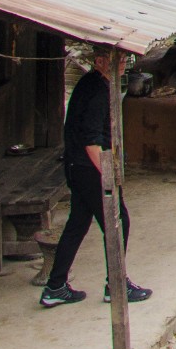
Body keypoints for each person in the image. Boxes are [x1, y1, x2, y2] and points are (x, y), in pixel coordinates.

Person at [41, 51, 152, 308]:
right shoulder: (99, 91)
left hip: (75, 166)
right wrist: (109, 175)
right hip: (89, 167)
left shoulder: (91, 82)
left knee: (78, 222)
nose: (122, 64)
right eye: (117, 60)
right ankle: (116, 284)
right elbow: (92, 141)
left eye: (124, 60)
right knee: (118, 221)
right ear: (100, 61)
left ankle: (55, 286)